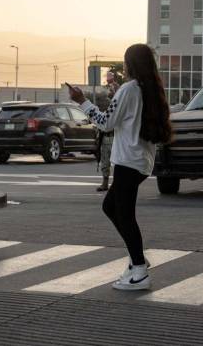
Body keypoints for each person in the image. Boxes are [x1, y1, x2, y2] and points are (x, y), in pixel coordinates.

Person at [68, 44, 171, 291]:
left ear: (131, 64)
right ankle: (138, 259)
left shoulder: (129, 90)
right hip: (141, 161)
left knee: (123, 213)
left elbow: (106, 122)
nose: (123, 66)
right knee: (112, 207)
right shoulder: (151, 90)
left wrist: (82, 101)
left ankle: (139, 269)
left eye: (125, 62)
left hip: (128, 161)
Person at [95, 71, 121, 192]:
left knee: (117, 162)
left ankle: (116, 184)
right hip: (106, 135)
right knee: (105, 160)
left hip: (116, 135)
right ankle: (105, 183)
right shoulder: (105, 94)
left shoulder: (117, 90)